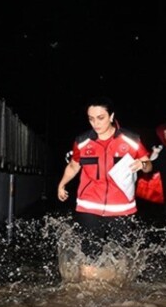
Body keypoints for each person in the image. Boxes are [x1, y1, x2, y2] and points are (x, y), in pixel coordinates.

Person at [56, 97, 152, 279]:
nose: (95, 123)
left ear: (111, 116)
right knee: (89, 257)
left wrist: (143, 165)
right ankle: (89, 294)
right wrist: (62, 184)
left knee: (120, 258)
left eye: (100, 118)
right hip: (89, 206)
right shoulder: (82, 142)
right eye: (91, 119)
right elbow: (74, 165)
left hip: (122, 208)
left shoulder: (131, 140)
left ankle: (116, 298)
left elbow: (148, 165)